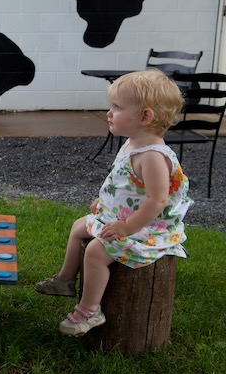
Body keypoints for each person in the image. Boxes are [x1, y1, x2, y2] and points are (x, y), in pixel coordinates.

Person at [34, 69, 193, 336]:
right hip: (124, 218)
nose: (109, 113)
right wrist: (105, 203)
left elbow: (157, 200)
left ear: (145, 116)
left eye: (117, 107)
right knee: (78, 227)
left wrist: (126, 227)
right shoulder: (133, 143)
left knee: (96, 252)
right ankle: (64, 280)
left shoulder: (153, 156)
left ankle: (89, 310)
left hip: (147, 228)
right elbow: (127, 187)